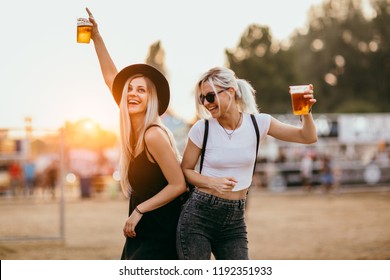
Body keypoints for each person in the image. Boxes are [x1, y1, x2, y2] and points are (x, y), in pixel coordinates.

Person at [177, 67, 317, 260]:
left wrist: (306, 111)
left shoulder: (259, 123)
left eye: (210, 97)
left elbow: (307, 136)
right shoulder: (202, 129)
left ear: (231, 91)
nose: (206, 104)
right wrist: (211, 182)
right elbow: (185, 170)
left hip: (235, 219)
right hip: (198, 217)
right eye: (202, 99)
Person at [85, 8, 186, 260]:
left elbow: (178, 185)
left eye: (141, 90)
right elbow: (111, 78)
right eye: (130, 89)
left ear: (150, 99)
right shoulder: (134, 133)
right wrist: (97, 38)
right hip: (142, 229)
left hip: (161, 232)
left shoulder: (153, 135)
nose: (132, 93)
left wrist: (139, 210)